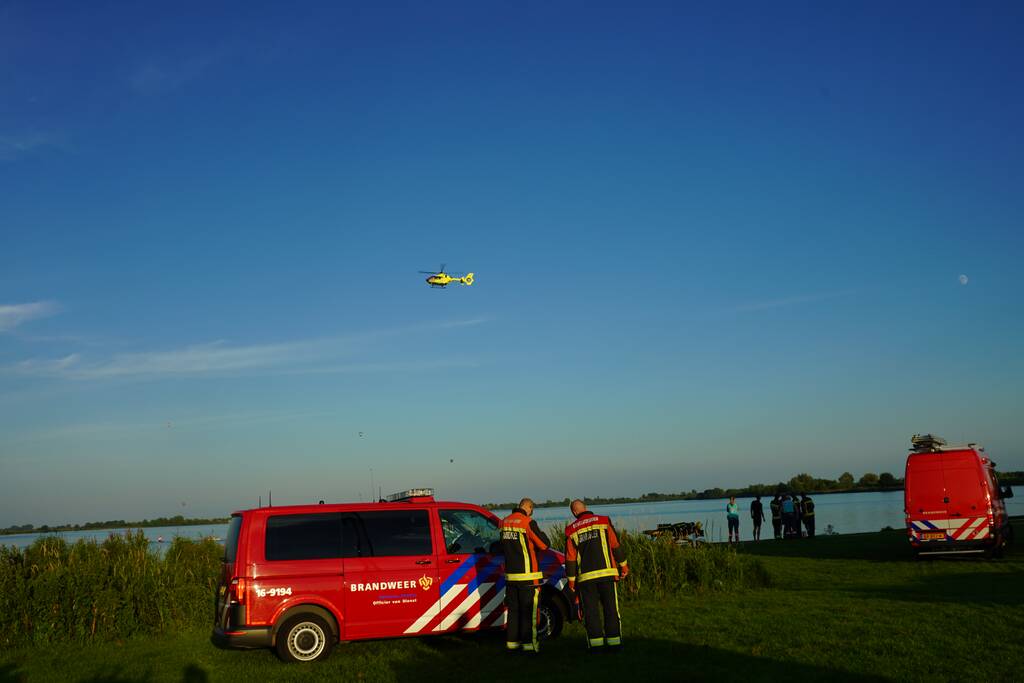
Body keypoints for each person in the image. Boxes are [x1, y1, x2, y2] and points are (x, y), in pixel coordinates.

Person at [565, 499, 628, 652]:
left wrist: (572, 582)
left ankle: (596, 645)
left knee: (591, 612)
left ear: (574, 512)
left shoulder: (571, 530)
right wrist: (624, 566)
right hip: (607, 575)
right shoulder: (604, 521)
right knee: (611, 609)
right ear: (586, 508)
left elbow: (570, 558)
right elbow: (615, 544)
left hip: (586, 579)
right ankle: (614, 643)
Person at [500, 497, 550, 654]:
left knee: (513, 612)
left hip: (511, 577)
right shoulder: (527, 522)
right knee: (530, 613)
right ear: (528, 508)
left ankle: (512, 645)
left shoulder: (504, 522)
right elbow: (544, 544)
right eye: (531, 511)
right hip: (528, 577)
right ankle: (530, 646)